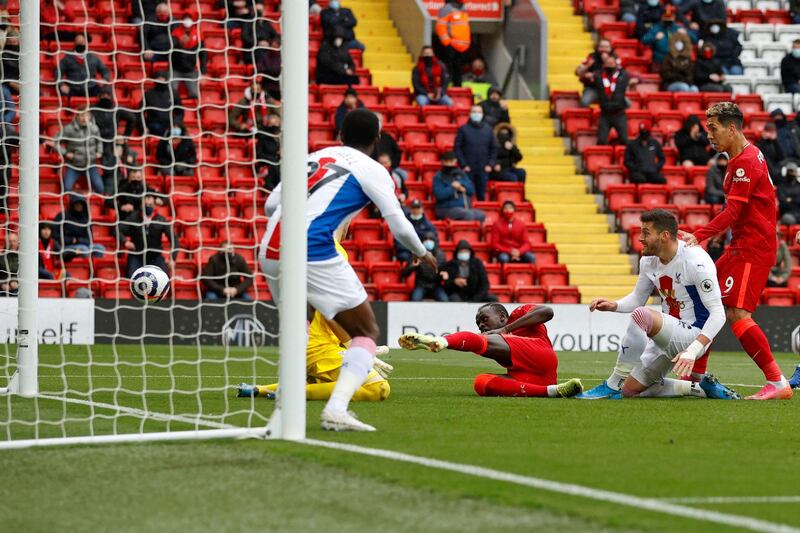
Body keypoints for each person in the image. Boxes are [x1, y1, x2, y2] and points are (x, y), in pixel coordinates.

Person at [258, 108, 437, 431]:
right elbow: (397, 223)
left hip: (271, 244)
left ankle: (284, 412)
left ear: (340, 134)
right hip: (312, 245)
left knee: (299, 326)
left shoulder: (315, 157)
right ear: (377, 139)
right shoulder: (372, 169)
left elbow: (271, 205)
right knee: (366, 333)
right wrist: (422, 253)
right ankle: (336, 409)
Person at [681, 102, 793, 400]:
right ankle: (696, 377)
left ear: (732, 129)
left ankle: (776, 381)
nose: (710, 136)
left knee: (736, 312)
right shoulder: (741, 157)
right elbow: (740, 212)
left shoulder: (745, 162)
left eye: (714, 129)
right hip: (740, 244)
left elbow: (733, 210)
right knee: (709, 303)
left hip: (753, 247)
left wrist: (700, 235)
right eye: (708, 130)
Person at [576, 210, 739, 400]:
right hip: (667, 334)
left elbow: (719, 313)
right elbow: (638, 298)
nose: (640, 238)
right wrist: (614, 305)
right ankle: (700, 389)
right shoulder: (648, 261)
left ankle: (612, 385)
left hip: (693, 336)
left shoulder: (696, 261)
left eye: (646, 233)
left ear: (664, 236)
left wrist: (693, 350)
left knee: (641, 316)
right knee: (630, 391)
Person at [398, 303, 583, 398]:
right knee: (482, 382)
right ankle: (553, 391)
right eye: (478, 323)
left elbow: (547, 311)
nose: (481, 324)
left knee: (481, 341)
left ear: (502, 316)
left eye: (484, 319)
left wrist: (505, 330)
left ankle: (440, 341)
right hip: (534, 376)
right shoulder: (497, 338)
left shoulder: (518, 314)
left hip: (539, 354)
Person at [119, 193, 178, 278]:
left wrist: (173, 258)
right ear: (141, 205)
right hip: (137, 254)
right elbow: (118, 229)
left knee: (164, 277)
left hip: (155, 256)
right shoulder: (133, 217)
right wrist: (125, 241)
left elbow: (174, 239)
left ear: (154, 205)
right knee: (132, 277)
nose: (148, 206)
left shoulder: (161, 220)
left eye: (150, 205)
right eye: (145, 204)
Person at [54, 107, 104, 194]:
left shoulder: (94, 129)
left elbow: (99, 141)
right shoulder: (69, 129)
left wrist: (99, 151)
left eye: (87, 115)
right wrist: (65, 153)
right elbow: (55, 142)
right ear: (77, 116)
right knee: (67, 188)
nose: (84, 118)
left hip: (90, 165)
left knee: (100, 189)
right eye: (82, 115)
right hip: (74, 165)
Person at [454, 105, 497, 201]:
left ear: (482, 114)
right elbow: (457, 148)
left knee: (481, 195)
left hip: (483, 169)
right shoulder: (463, 129)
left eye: (479, 112)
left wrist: (490, 164)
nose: (476, 114)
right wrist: (463, 165)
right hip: (468, 169)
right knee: (467, 194)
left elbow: (494, 148)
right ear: (470, 114)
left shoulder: (488, 130)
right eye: (474, 112)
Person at [433, 151, 486, 222]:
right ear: (442, 162)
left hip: (464, 207)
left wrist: (461, 184)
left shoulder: (461, 174)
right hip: (446, 209)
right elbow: (439, 195)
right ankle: (466, 233)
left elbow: (471, 190)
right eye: (447, 162)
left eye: (451, 161)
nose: (449, 164)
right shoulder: (438, 177)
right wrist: (453, 188)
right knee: (467, 214)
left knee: (481, 215)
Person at [53, 193, 106, 262]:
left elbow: (89, 240)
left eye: (81, 204)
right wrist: (71, 240)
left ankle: (94, 269)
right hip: (66, 247)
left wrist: (77, 240)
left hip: (83, 245)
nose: (79, 206)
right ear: (72, 204)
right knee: (83, 249)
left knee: (100, 248)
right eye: (77, 203)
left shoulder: (85, 219)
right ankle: (83, 269)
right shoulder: (62, 216)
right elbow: (54, 235)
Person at [57, 33, 110, 98]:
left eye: (82, 42)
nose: (81, 45)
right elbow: (58, 72)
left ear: (85, 43)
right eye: (78, 43)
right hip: (73, 89)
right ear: (74, 43)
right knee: (62, 91)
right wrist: (62, 85)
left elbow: (105, 71)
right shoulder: (67, 58)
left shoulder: (93, 57)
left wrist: (104, 79)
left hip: (91, 88)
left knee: (106, 91)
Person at [594, 52, 630, 145]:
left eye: (612, 63)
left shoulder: (623, 75)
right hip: (605, 113)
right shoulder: (598, 76)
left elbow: (635, 76)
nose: (610, 65)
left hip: (619, 113)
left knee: (624, 140)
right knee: (601, 140)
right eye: (608, 63)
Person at [170, 13, 207, 100]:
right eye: (185, 18)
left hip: (191, 70)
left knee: (194, 94)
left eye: (189, 18)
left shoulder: (198, 33)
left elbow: (203, 55)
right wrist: (180, 44)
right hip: (175, 70)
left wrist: (203, 73)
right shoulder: (175, 32)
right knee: (171, 92)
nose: (187, 21)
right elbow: (171, 49)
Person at [434, 0, 471, 87]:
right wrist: (447, 43)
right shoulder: (447, 9)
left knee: (459, 72)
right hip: (451, 46)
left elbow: (465, 28)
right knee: (449, 70)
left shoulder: (463, 8)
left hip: (463, 47)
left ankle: (457, 89)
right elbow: (440, 27)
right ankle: (445, 88)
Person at [403, 231, 448, 302]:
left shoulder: (441, 256)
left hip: (436, 286)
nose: (428, 242)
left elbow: (445, 272)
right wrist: (412, 266)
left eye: (430, 240)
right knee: (415, 299)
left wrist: (444, 276)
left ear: (435, 242)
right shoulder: (417, 254)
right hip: (421, 285)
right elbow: (405, 274)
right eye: (426, 239)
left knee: (444, 300)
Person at [142, 70, 184, 137]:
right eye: (158, 79)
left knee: (181, 132)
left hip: (170, 124)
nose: (160, 81)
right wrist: (143, 127)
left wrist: (176, 124)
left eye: (162, 79)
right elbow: (140, 112)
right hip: (154, 125)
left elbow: (180, 112)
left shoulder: (173, 93)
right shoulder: (148, 94)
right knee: (158, 128)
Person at [395, 199, 437, 263]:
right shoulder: (403, 223)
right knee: (403, 256)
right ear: (410, 209)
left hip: (423, 252)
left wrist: (421, 251)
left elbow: (434, 240)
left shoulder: (429, 226)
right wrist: (412, 250)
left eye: (418, 208)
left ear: (422, 209)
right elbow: (398, 240)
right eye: (413, 208)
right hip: (407, 252)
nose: (415, 210)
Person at [576, 39, 613, 107]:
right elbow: (578, 72)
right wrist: (587, 67)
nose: (604, 49)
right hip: (593, 88)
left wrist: (594, 75)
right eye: (602, 47)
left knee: (626, 103)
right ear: (597, 48)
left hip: (610, 89)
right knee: (584, 102)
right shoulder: (592, 57)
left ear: (610, 48)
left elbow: (621, 74)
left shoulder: (614, 58)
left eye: (607, 47)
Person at [255, 111, 281, 189]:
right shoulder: (263, 137)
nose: (274, 126)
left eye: (276, 123)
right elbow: (259, 154)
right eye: (271, 124)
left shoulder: (283, 137)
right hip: (267, 165)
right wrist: (273, 159)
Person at [0, 231, 18, 296]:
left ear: (18, 242)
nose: (12, 243)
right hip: (3, 288)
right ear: (5, 243)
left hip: (18, 287)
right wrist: (1, 284)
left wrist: (17, 282)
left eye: (14, 241)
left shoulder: (23, 258)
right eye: (9, 241)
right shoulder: (1, 256)